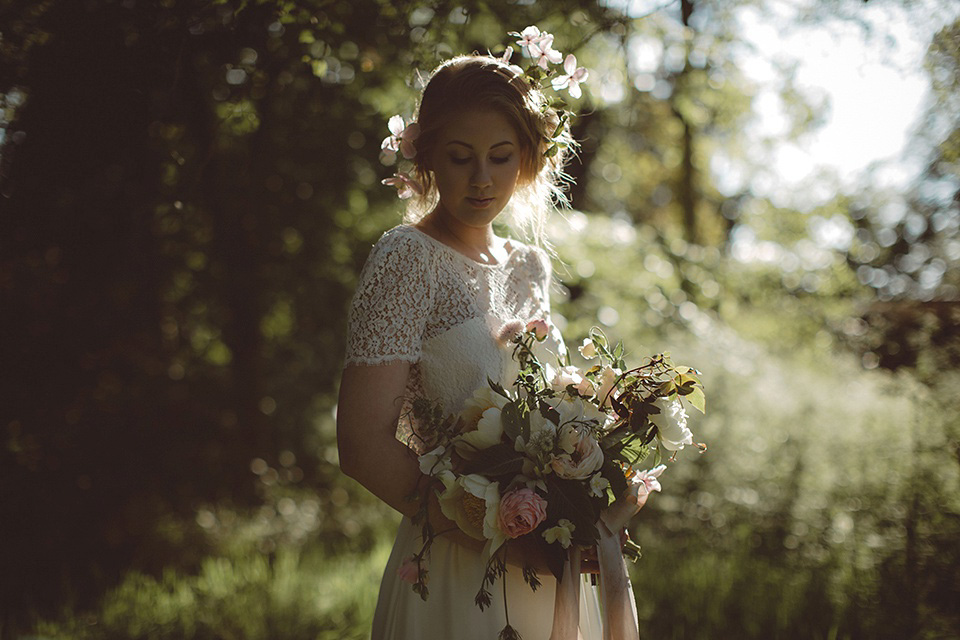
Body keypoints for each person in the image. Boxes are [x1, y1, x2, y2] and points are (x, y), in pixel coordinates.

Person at [337, 53, 645, 640]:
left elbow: (541, 405)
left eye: (500, 157)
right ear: (426, 156)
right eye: (460, 157)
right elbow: (360, 446)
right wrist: (491, 530)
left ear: (527, 160)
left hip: (548, 557)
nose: (481, 178)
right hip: (455, 564)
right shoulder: (406, 260)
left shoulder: (529, 266)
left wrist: (583, 492)